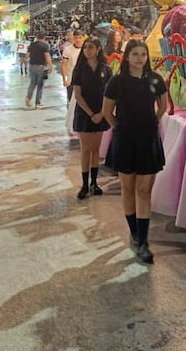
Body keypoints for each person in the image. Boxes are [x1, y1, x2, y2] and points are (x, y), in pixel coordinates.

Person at [101, 39, 168, 265]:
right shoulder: (116, 82)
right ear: (127, 56)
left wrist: (151, 123)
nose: (140, 58)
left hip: (148, 139)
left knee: (144, 190)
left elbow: (163, 106)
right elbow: (107, 111)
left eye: (143, 54)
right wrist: (120, 127)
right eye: (135, 54)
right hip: (125, 139)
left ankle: (143, 240)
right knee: (128, 187)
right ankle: (135, 234)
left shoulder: (155, 79)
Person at [71, 38, 113, 200]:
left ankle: (94, 183)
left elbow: (110, 93)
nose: (87, 50)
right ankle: (84, 184)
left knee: (96, 150)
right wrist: (91, 114)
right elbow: (78, 95)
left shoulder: (106, 69)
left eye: (91, 47)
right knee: (86, 150)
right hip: (84, 113)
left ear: (98, 49)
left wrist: (102, 113)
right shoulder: (79, 69)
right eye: (85, 47)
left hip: (101, 112)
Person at [25, 33, 52, 109]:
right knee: (40, 85)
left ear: (37, 37)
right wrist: (50, 66)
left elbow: (27, 55)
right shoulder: (45, 45)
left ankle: (28, 97)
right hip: (41, 67)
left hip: (32, 66)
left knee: (32, 83)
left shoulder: (32, 45)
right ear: (44, 38)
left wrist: (25, 61)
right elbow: (47, 56)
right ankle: (37, 103)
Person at [61, 29, 85, 102]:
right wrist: (64, 79)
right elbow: (64, 65)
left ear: (83, 38)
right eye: (76, 37)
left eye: (80, 37)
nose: (78, 40)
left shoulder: (87, 49)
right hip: (71, 80)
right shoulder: (67, 50)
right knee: (71, 101)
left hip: (85, 80)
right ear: (73, 38)